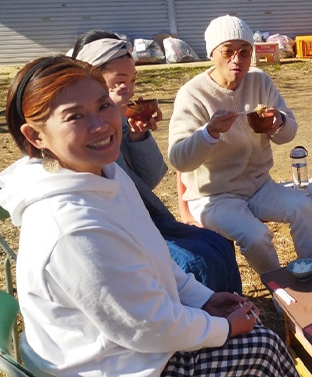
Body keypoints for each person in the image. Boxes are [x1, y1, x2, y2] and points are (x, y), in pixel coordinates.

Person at [0, 56, 309, 377]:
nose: (100, 124)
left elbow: (154, 253)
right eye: (75, 116)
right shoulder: (69, 226)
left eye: (103, 106)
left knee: (258, 340)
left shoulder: (105, 175)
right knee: (259, 350)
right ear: (36, 135)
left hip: (132, 349)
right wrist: (221, 328)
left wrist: (203, 298)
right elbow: (147, 326)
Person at [70, 30, 242, 293]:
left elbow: (148, 179)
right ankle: (202, 325)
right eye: (118, 82)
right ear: (89, 80)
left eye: (132, 80)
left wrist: (137, 136)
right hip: (116, 230)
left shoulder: (120, 123)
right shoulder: (80, 129)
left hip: (145, 218)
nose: (127, 89)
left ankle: (232, 313)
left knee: (214, 243)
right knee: (195, 262)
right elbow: (103, 176)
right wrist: (111, 116)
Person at [168, 15, 312, 275]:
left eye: (244, 52)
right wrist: (209, 133)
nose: (236, 60)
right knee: (256, 235)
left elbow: (289, 133)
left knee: (302, 208)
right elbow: (179, 159)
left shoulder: (259, 81)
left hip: (259, 185)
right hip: (214, 195)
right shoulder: (193, 94)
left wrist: (279, 122)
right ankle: (280, 292)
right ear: (212, 53)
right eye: (227, 52)